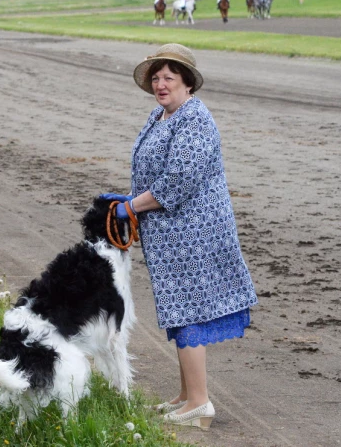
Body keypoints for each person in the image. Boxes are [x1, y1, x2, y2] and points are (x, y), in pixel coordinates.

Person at [101, 43, 258, 430]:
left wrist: (130, 208)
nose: (160, 83)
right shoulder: (162, 114)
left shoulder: (195, 120)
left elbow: (177, 182)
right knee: (178, 307)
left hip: (194, 233)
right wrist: (131, 199)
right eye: (156, 77)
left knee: (187, 309)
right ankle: (187, 396)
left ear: (187, 83)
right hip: (170, 234)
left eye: (169, 77)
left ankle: (200, 404)